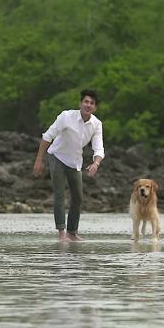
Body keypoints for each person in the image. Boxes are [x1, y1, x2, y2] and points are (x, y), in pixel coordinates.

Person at [33, 89, 105, 242]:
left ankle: (72, 232)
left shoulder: (96, 124)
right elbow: (47, 137)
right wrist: (39, 160)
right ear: (80, 103)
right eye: (86, 101)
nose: (88, 105)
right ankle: (61, 233)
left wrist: (96, 163)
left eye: (92, 103)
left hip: (74, 162)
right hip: (56, 156)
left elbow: (99, 148)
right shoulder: (66, 116)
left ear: (95, 108)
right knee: (59, 194)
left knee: (78, 197)